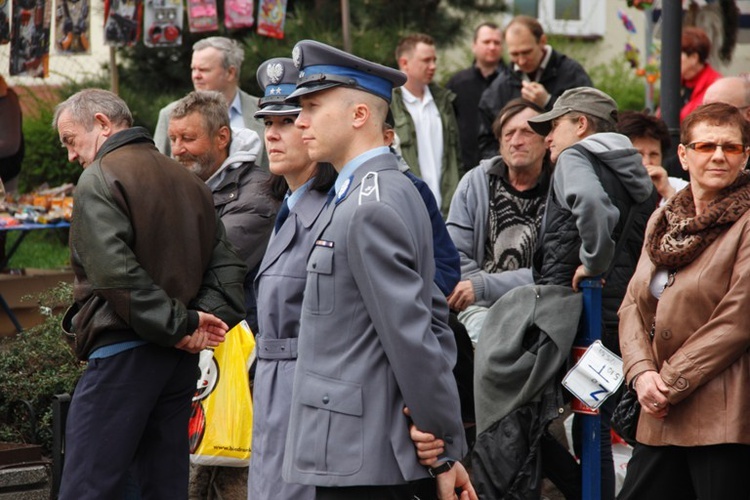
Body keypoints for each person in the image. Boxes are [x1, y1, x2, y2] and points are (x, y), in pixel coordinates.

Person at [282, 39, 475, 500]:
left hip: (365, 457)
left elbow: (413, 333)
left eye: (311, 106)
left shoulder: (369, 204)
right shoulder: (374, 192)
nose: (300, 121)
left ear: (359, 116)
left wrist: (441, 444)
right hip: (362, 446)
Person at [54, 89, 247, 499]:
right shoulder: (189, 180)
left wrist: (185, 326)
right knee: (161, 485)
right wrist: (194, 324)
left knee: (90, 485)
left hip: (124, 354)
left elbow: (115, 274)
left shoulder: (100, 177)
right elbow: (228, 269)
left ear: (103, 123)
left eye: (71, 140)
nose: (71, 155)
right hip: (177, 362)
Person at [527, 87, 656, 500]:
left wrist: (593, 263)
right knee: (597, 419)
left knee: (531, 419)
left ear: (580, 124)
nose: (547, 138)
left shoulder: (575, 157)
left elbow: (592, 205)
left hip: (579, 319)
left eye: (554, 126)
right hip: (619, 317)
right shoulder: (632, 169)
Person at [618, 102, 750, 499]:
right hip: (659, 410)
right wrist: (641, 374)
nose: (718, 156)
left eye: (731, 147)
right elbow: (633, 305)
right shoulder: (664, 219)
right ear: (683, 154)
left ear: (746, 156)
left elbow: (738, 318)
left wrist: (668, 384)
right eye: (706, 145)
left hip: (723, 417)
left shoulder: (746, 220)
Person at [248, 57, 338, 500]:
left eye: (287, 121)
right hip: (274, 388)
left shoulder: (335, 209)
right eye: (268, 122)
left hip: (309, 391)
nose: (273, 134)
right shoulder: (288, 206)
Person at [168, 90, 278, 334]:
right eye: (173, 139)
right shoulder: (185, 186)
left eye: (187, 138)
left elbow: (200, 265)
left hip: (242, 341)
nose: (177, 150)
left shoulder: (257, 196)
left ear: (222, 137)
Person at [446, 98, 550, 345]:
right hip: (480, 307)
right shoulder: (475, 184)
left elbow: (553, 271)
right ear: (500, 144)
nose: (516, 141)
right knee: (490, 340)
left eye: (526, 131)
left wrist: (483, 285)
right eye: (508, 134)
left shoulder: (561, 189)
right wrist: (479, 291)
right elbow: (453, 255)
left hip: (541, 304)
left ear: (547, 140)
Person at [477, 15, 592, 161]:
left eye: (526, 52)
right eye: (514, 54)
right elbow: (486, 143)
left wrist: (549, 102)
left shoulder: (571, 73)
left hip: (563, 165)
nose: (521, 61)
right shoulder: (498, 88)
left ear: (542, 42)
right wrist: (509, 166)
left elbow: (589, 121)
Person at [153, 36, 267, 168]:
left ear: (230, 72)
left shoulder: (263, 111)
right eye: (193, 69)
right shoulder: (169, 114)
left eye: (203, 69)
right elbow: (158, 169)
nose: (196, 75)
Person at [391, 33, 462, 216]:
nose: (433, 66)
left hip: (447, 210)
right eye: (426, 60)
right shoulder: (389, 105)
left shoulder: (444, 101)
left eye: (434, 60)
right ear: (404, 63)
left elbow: (455, 157)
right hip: (410, 209)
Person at [446, 22, 505, 173]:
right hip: (465, 169)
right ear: (474, 45)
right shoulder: (457, 83)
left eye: (497, 42)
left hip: (505, 169)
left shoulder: (512, 82)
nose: (492, 47)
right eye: (486, 42)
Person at [617, 111, 689, 204]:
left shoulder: (681, 188)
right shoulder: (608, 189)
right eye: (638, 154)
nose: (646, 162)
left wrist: (667, 192)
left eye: (654, 154)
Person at [679, 26, 722, 122]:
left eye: (677, 54)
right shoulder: (674, 82)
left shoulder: (717, 86)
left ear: (694, 57)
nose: (670, 60)